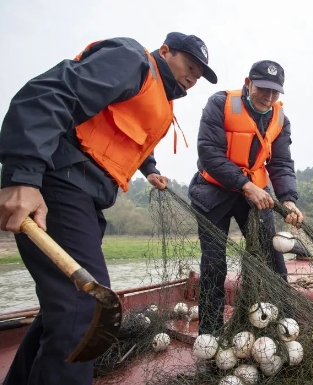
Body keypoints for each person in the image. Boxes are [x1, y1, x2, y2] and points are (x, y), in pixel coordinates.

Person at [0, 32, 217, 385]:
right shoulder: (132, 59)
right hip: (60, 184)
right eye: (189, 65)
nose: (193, 77)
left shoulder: (159, 98)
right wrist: (22, 177)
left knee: (66, 310)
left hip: (87, 198)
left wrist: (151, 171)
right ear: (165, 51)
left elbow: (131, 137)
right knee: (87, 308)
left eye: (199, 74)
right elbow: (49, 93)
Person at [189, 59, 303, 336]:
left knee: (272, 257)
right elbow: (210, 154)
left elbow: (281, 164)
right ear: (248, 82)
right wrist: (245, 185)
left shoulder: (280, 118)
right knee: (214, 263)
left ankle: (286, 327)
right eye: (263, 88)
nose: (269, 97)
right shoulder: (220, 103)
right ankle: (211, 335)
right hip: (213, 192)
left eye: (276, 92)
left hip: (255, 194)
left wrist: (288, 199)